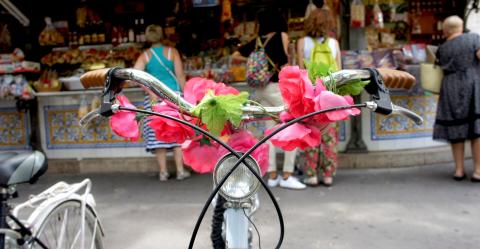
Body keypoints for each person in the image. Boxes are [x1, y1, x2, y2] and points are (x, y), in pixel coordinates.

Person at [233, 8, 306, 190]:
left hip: (261, 89)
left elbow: (234, 56)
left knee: (269, 131)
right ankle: (287, 174)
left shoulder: (258, 41)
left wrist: (254, 61)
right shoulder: (281, 35)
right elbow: (285, 64)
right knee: (293, 125)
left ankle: (272, 175)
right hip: (276, 89)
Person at [134, 24, 190, 181]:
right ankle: (180, 171)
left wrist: (151, 91)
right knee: (178, 132)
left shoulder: (145, 56)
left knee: (158, 134)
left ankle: (163, 172)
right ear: (161, 35)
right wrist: (187, 97)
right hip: (174, 97)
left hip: (155, 99)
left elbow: (135, 75)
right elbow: (180, 76)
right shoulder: (173, 52)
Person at [296, 8, 341, 187]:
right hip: (330, 96)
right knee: (329, 136)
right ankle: (328, 175)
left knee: (311, 134)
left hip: (310, 96)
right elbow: (340, 72)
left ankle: (311, 174)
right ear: (329, 24)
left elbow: (301, 71)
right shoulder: (334, 44)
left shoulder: (302, 43)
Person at [433, 15, 480, 183]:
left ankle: (459, 170)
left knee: (455, 130)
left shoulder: (442, 48)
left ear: (446, 30)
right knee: (476, 130)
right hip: (471, 84)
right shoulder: (474, 38)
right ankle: (478, 171)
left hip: (449, 86)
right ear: (461, 26)